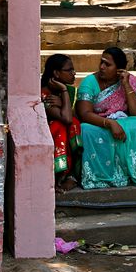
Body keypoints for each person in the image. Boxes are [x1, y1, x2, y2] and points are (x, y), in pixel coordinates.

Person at [75, 47, 136, 189]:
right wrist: (110, 123)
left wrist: (126, 84)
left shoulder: (129, 80)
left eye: (107, 64)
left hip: (124, 122)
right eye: (101, 62)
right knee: (85, 129)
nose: (102, 67)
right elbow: (84, 113)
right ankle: (104, 175)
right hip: (100, 124)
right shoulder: (90, 82)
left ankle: (135, 171)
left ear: (119, 69)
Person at [41, 54, 82, 194]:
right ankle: (58, 175)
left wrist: (64, 100)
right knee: (60, 127)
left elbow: (75, 118)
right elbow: (66, 118)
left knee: (78, 126)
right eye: (69, 70)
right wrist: (64, 92)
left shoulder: (72, 92)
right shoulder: (45, 93)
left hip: (67, 132)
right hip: (49, 133)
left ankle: (71, 175)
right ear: (56, 73)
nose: (74, 73)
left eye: (73, 69)